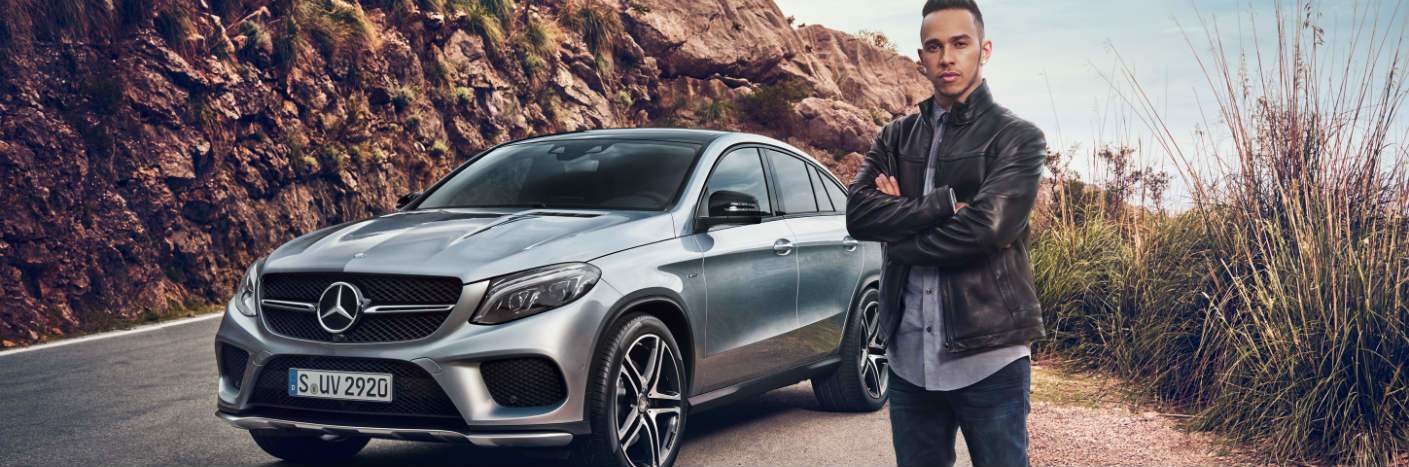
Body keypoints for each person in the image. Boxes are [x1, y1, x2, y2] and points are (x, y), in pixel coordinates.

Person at [844, 1, 1048, 466]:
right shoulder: (894, 138)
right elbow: (858, 214)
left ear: (984, 49)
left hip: (989, 354)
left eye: (960, 43)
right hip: (908, 358)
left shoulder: (1017, 138)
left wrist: (897, 227)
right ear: (921, 57)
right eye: (934, 47)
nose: (947, 58)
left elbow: (986, 230)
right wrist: (940, 205)